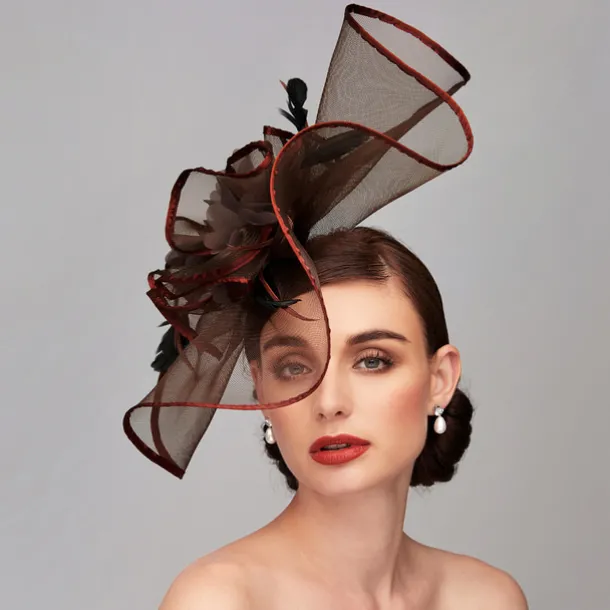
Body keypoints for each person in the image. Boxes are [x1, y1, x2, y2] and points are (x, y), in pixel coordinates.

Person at [122, 5, 528, 608]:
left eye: (372, 360)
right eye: (294, 367)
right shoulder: (219, 600)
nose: (329, 401)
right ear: (261, 389)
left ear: (440, 379)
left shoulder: (487, 598)